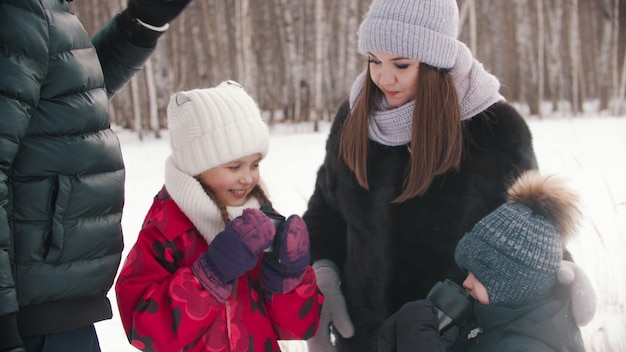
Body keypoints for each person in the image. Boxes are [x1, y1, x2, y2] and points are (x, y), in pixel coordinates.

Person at [303, 0, 540, 351]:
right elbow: (327, 206)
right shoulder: (355, 117)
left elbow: (527, 228)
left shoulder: (493, 129)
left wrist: (560, 272)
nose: (383, 77)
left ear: (435, 63)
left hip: (454, 338)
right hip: (362, 336)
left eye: (401, 64)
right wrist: (322, 272)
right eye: (374, 60)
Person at [0, 1, 192, 351]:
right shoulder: (17, 10)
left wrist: (141, 24)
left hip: (55, 305)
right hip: (33, 319)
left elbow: (64, 93)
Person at [115, 81, 323, 352]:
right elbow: (142, 328)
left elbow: (297, 329)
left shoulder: (262, 224)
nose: (248, 177)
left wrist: (290, 277)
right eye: (234, 166)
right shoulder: (167, 229)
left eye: (255, 164)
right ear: (196, 165)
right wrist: (209, 276)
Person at [377, 170, 597, 351]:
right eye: (468, 273)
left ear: (515, 287)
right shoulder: (493, 322)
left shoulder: (526, 347)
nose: (466, 283)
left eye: (480, 277)